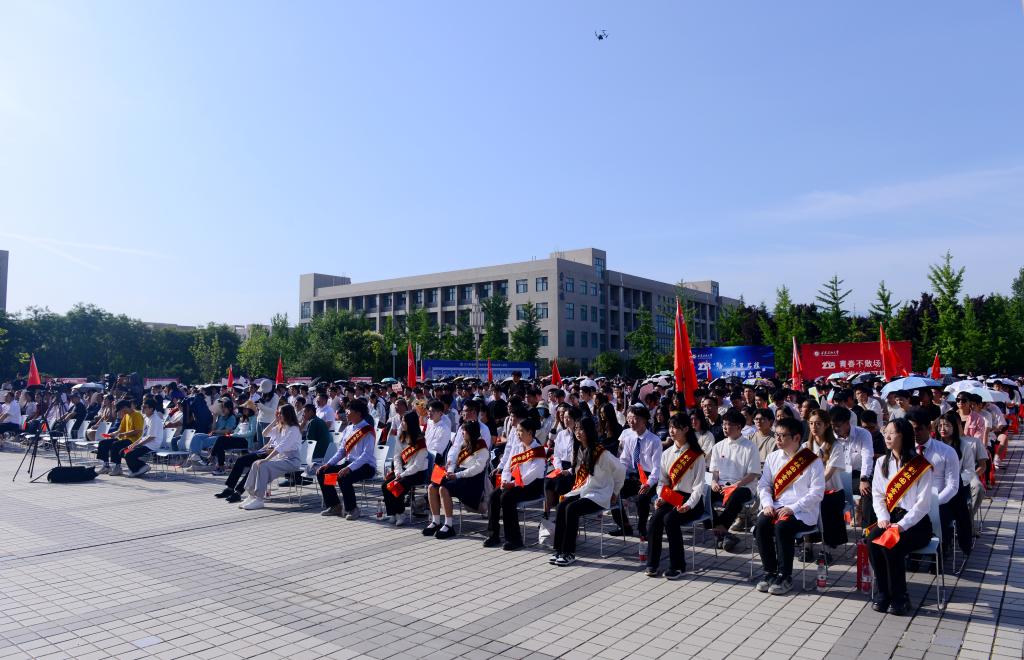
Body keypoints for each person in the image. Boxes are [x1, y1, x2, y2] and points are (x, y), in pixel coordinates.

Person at [868, 418, 935, 615]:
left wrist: (902, 525)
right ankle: (883, 593)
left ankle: (900, 597)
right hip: (890, 518)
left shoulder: (920, 465)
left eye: (892, 433)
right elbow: (878, 494)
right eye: (885, 432)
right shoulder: (882, 462)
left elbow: (923, 504)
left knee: (891, 544)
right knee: (872, 541)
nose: (887, 437)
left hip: (916, 524)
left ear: (904, 436)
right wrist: (883, 517)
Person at [754, 417, 825, 595]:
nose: (777, 439)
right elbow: (764, 485)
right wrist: (767, 504)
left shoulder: (812, 460)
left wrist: (793, 508)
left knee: (782, 527)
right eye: (776, 435)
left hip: (802, 511)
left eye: (782, 435)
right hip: (776, 506)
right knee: (761, 524)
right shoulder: (773, 457)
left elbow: (817, 493)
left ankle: (785, 576)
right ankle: (769, 572)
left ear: (796, 438)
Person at [550, 416, 626, 566]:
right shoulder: (580, 449)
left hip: (599, 493)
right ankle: (559, 549)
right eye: (576, 429)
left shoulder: (601, 452)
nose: (578, 432)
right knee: (561, 506)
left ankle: (569, 552)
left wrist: (615, 492)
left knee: (571, 509)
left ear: (590, 431)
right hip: (584, 490)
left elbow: (621, 470)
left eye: (582, 429)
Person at [643, 413, 706, 579]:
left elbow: (699, 487)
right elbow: (662, 482)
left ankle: (678, 566)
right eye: (670, 427)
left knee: (670, 519)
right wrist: (660, 497)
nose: (671, 431)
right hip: (672, 496)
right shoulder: (667, 453)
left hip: (692, 500)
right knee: (655, 519)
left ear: (685, 429)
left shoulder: (696, 455)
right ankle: (652, 563)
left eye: (676, 427)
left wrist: (688, 505)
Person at [905, 407, 966, 556]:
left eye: (918, 429)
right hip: (912, 501)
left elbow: (952, 486)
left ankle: (940, 553)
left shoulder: (946, 451)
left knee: (941, 519)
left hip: (940, 501)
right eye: (911, 430)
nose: (914, 434)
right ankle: (912, 555)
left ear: (929, 428)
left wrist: (932, 503)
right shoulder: (905, 452)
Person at [484, 416, 546, 551]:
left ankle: (514, 539)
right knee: (494, 496)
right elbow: (508, 466)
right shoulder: (517, 446)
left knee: (506, 497)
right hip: (515, 483)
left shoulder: (538, 450)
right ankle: (493, 535)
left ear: (530, 433)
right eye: (517, 431)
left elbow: (532, 474)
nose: (518, 434)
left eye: (521, 431)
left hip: (532, 486)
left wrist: (512, 484)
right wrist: (505, 480)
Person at [427, 420, 490, 539]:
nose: (462, 433)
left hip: (472, 481)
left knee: (443, 489)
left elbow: (477, 469)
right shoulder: (464, 444)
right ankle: (436, 521)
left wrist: (457, 475)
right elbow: (454, 462)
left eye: (464, 431)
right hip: (459, 475)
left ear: (471, 432)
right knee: (432, 487)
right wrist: (450, 471)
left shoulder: (482, 447)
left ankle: (448, 525)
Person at [708, 408, 761, 552]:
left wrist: (737, 485)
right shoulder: (718, 446)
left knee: (735, 496)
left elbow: (753, 473)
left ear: (739, 427)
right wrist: (713, 482)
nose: (725, 427)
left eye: (729, 424)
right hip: (722, 485)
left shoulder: (750, 447)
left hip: (743, 486)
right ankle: (724, 533)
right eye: (724, 424)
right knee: (702, 495)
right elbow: (714, 471)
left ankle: (720, 531)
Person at [609, 404, 663, 541]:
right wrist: (616, 474)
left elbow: (657, 468)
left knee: (642, 497)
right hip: (634, 476)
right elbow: (624, 461)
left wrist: (648, 483)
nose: (631, 421)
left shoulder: (654, 440)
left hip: (650, 478)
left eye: (635, 418)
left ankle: (642, 529)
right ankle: (624, 525)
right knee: (612, 490)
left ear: (644, 420)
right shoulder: (629, 438)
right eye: (629, 418)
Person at [317, 399, 376, 519]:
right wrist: (329, 464)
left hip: (366, 466)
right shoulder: (349, 429)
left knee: (343, 477)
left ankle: (352, 509)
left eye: (349, 411)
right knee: (323, 473)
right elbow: (342, 451)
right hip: (350, 463)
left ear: (358, 413)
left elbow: (366, 455)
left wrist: (349, 468)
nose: (346, 413)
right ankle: (335, 505)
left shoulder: (367, 430)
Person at [238, 404, 303, 510]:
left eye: (280, 413)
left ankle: (259, 499)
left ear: (287, 414)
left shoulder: (294, 429)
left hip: (292, 461)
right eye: (278, 413)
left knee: (263, 465)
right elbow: (264, 433)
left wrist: (266, 459)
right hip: (281, 459)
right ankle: (252, 495)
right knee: (255, 464)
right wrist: (275, 421)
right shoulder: (280, 427)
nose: (279, 415)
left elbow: (281, 447)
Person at [936, 410, 983, 543]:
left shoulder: (963, 445)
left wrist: (956, 480)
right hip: (937, 485)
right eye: (940, 426)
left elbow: (969, 469)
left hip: (957, 486)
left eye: (947, 425)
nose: (943, 429)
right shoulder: (934, 445)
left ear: (954, 427)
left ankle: (948, 537)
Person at [806, 409, 847, 554]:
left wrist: (812, 490)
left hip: (832, 491)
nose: (814, 427)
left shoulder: (835, 446)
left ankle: (827, 548)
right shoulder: (805, 447)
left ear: (827, 425)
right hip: (810, 490)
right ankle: (807, 544)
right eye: (811, 423)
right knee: (801, 503)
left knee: (825, 504)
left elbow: (828, 474)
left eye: (818, 423)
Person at [381, 411, 429, 525]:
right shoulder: (401, 435)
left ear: (411, 423)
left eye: (404, 421)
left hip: (417, 473)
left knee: (397, 485)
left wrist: (402, 474)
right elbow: (397, 455)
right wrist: (398, 471)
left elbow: (417, 465)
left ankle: (401, 513)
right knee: (385, 485)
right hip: (403, 470)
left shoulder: (420, 440)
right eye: (402, 420)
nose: (401, 423)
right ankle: (392, 513)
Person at [544, 405, 579, 520]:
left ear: (575, 419)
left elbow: (581, 459)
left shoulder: (579, 435)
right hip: (560, 466)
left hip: (574, 468)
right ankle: (547, 515)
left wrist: (569, 471)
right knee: (548, 481)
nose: (566, 420)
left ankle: (561, 514)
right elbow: (557, 455)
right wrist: (558, 468)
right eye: (564, 417)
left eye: (569, 417)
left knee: (561, 483)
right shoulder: (561, 434)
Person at [96, 400, 145, 476]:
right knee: (103, 443)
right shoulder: (126, 415)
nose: (120, 412)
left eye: (120, 410)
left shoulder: (137, 415)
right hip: (125, 438)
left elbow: (138, 431)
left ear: (125, 407)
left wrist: (124, 434)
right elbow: (121, 430)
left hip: (134, 440)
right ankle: (106, 466)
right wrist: (113, 434)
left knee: (116, 444)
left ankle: (118, 467)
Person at [187, 399, 237, 467]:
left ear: (230, 408)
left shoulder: (232, 418)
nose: (222, 409)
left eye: (224, 407)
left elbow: (227, 431)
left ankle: (198, 457)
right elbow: (213, 429)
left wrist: (215, 431)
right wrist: (214, 418)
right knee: (196, 436)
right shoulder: (220, 416)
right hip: (215, 435)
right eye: (222, 407)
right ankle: (194, 456)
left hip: (223, 438)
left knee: (204, 441)